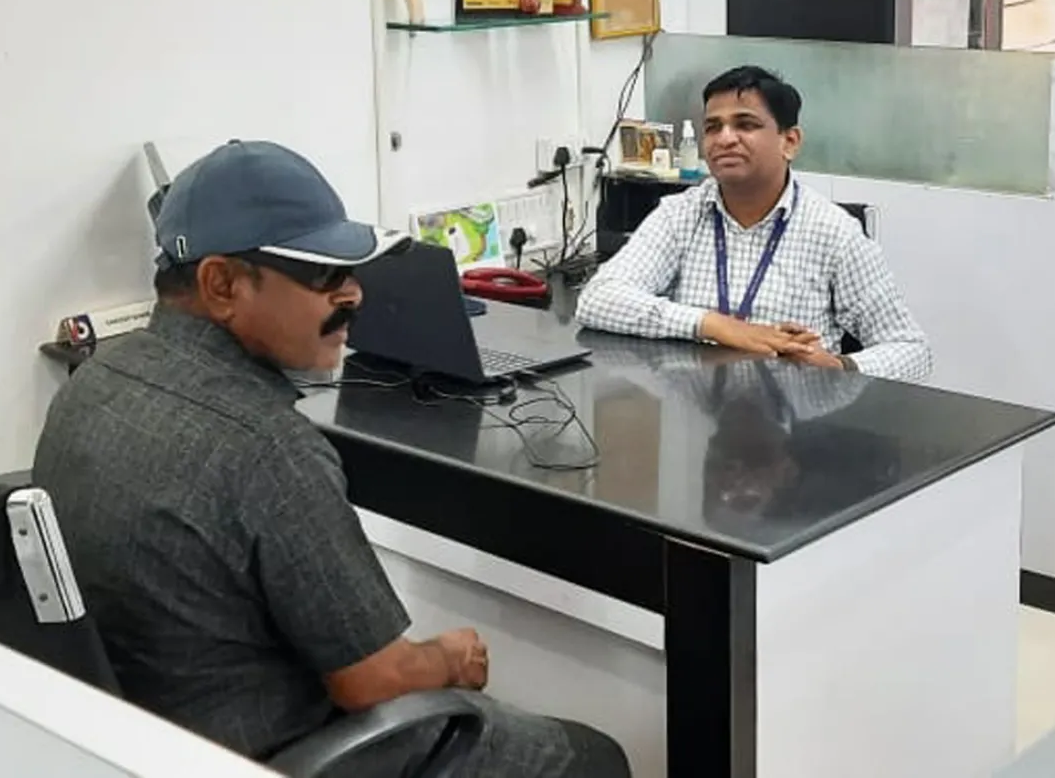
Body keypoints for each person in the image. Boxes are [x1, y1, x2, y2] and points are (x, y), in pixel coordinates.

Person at [33, 141, 629, 778]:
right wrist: (450, 660)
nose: (353, 296)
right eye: (323, 277)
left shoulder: (92, 384)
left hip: (144, 742)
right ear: (222, 284)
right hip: (276, 752)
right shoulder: (270, 449)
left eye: (352, 274)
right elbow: (371, 682)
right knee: (593, 758)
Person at [576, 66, 932, 382]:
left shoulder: (833, 232)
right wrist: (719, 326)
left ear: (789, 142)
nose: (725, 138)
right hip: (701, 429)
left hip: (798, 433)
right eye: (713, 127)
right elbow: (596, 299)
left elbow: (912, 351)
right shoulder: (680, 215)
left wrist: (839, 368)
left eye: (745, 124)